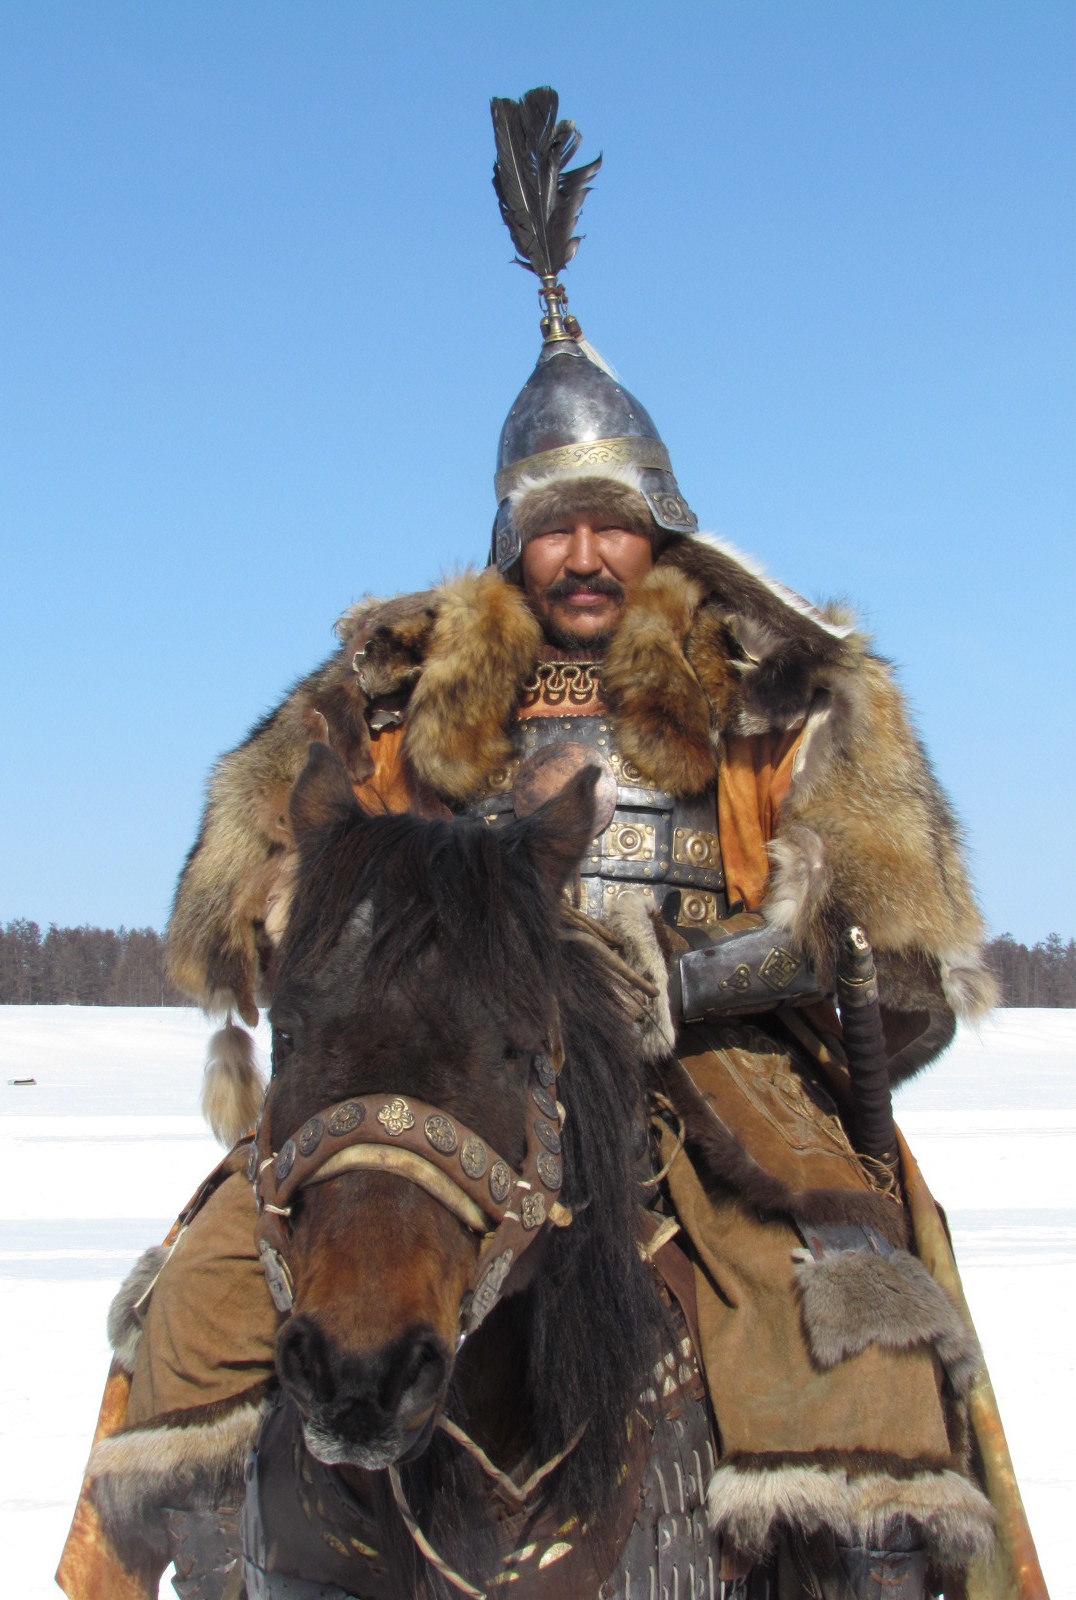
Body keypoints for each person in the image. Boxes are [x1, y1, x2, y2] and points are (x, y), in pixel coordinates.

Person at [58, 89, 1038, 1600]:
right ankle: (177, 1552)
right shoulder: (402, 691)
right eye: (551, 524)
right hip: (440, 1059)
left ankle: (876, 1561)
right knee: (205, 1294)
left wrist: (697, 974)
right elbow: (261, 880)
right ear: (510, 536)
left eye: (611, 520)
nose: (583, 553)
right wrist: (312, 923)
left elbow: (894, 949)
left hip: (709, 1064)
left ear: (660, 521)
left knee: (842, 1318)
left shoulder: (771, 685)